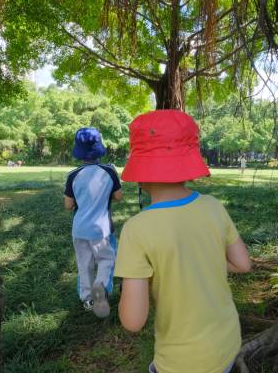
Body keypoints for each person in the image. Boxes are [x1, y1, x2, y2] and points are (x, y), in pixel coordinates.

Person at [114, 110, 252, 373]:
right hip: (228, 343)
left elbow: (133, 321)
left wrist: (132, 280)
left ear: (141, 169)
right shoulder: (213, 206)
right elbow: (243, 264)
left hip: (182, 362)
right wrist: (201, 265)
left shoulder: (136, 230)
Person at [64, 127, 123, 318]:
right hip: (103, 229)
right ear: (99, 148)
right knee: (106, 260)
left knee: (84, 264)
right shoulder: (109, 171)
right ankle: (102, 287)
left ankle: (88, 299)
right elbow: (118, 197)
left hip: (80, 229)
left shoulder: (73, 175)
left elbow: (68, 205)